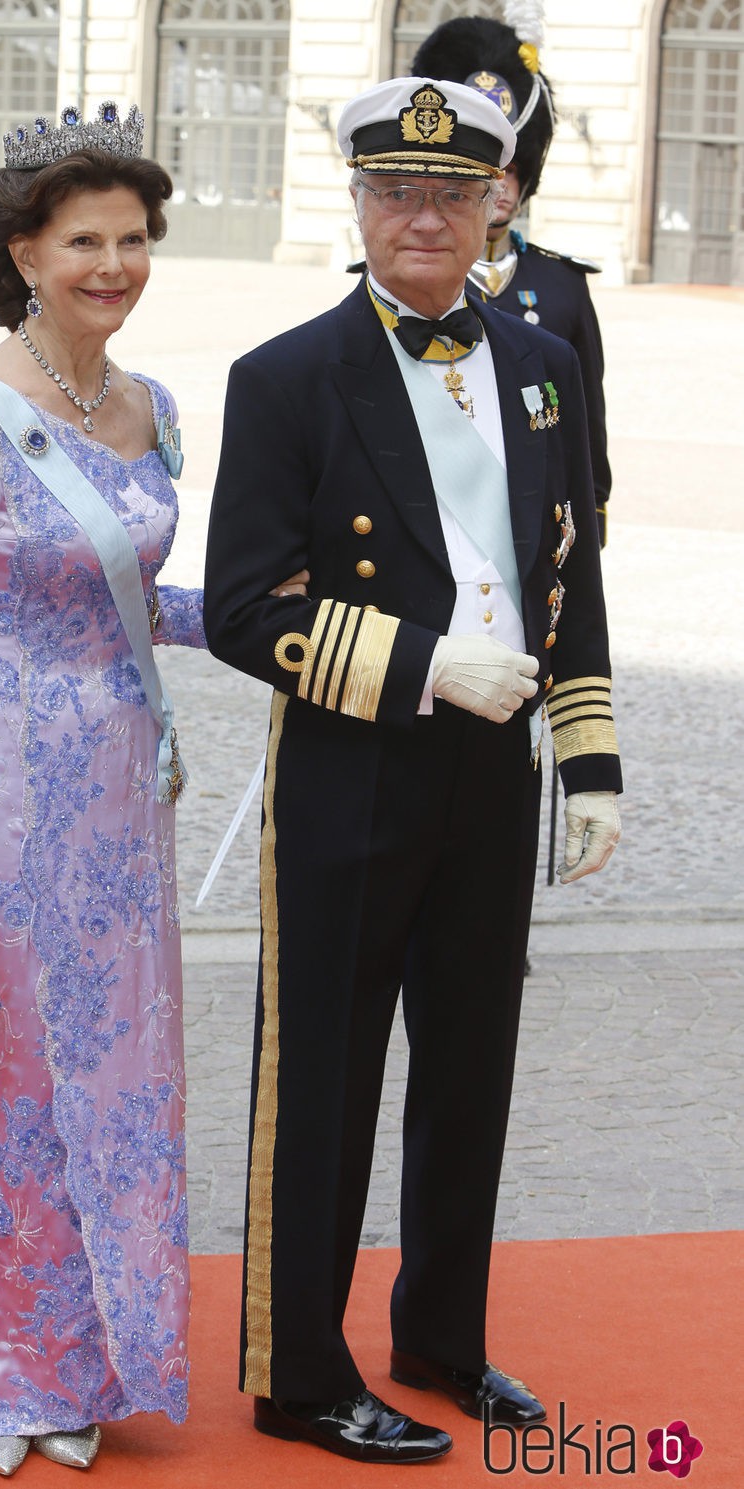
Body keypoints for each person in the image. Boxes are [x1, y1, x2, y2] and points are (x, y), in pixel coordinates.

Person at [0, 101, 304, 1478]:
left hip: (117, 795)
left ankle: (89, 1355)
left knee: (116, 1082)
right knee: (2, 1085)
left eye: (134, 237)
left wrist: (279, 616)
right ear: (25, 253)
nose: (116, 262)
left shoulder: (153, 410)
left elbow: (133, 600)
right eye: (84, 239)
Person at [203, 77, 622, 1466]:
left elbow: (569, 568)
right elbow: (244, 608)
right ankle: (297, 1369)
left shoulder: (542, 360)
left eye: (451, 193)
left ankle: (442, 1333)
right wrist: (427, 664)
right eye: (396, 191)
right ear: (360, 203)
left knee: (469, 1065)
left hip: (495, 772)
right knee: (320, 1072)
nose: (423, 215)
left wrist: (591, 753)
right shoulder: (284, 377)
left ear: (498, 201)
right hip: (353, 762)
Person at [412, 16, 611, 546]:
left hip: (534, 499)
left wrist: (592, 506)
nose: (500, 191)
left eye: (512, 174)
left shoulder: (564, 283)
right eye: (486, 178)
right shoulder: (413, 275)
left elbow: (585, 411)